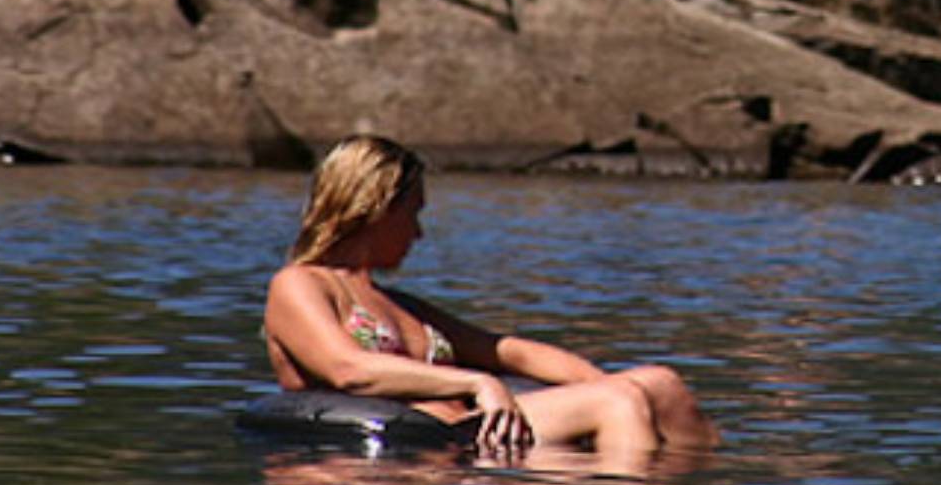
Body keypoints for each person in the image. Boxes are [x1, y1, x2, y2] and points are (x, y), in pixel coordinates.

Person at [262, 135, 718, 465]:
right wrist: (477, 383)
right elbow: (349, 370)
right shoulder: (301, 284)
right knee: (616, 402)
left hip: (480, 425)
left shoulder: (399, 303)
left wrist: (598, 380)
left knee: (660, 383)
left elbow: (508, 350)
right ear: (377, 207)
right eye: (413, 214)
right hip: (436, 443)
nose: (419, 233)